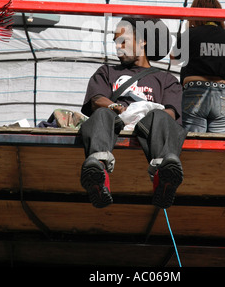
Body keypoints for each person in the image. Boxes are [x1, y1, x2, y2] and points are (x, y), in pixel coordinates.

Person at [79, 16, 186, 209]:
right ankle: (98, 175)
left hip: (148, 128)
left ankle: (164, 178)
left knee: (160, 116)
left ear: (142, 40)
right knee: (102, 114)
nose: (118, 47)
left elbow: (171, 114)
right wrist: (116, 107)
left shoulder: (167, 79)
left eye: (123, 41)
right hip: (113, 124)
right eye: (116, 43)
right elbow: (96, 100)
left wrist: (145, 113)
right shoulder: (106, 72)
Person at [171, 0, 225, 134]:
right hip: (223, 93)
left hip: (194, 91)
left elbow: (174, 58)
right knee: (218, 147)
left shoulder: (190, 34)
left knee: (194, 146)